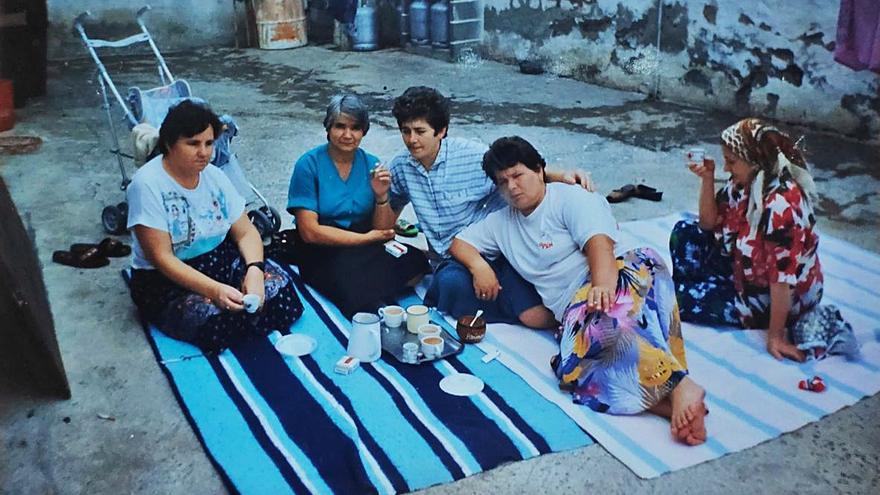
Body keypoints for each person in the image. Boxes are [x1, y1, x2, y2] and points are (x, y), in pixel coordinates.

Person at [450, 136, 707, 446]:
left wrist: (601, 286)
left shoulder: (569, 198)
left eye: (518, 175)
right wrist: (480, 266)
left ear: (539, 169)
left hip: (623, 270)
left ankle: (681, 387)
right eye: (502, 182)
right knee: (572, 372)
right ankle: (670, 403)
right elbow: (460, 243)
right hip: (577, 308)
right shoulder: (501, 223)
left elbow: (599, 243)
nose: (512, 187)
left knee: (609, 329)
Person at [386, 86, 594, 329]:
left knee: (535, 314)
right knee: (449, 284)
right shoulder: (400, 166)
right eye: (406, 131)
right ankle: (512, 303)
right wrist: (381, 201)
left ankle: (532, 308)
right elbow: (390, 212)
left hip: (498, 250)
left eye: (420, 131)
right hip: (451, 258)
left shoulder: (472, 156)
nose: (412, 139)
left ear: (441, 131)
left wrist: (565, 176)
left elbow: (518, 171)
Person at [670, 118, 854, 362]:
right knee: (684, 233)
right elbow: (707, 224)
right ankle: (696, 284)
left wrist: (775, 336)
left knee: (679, 299)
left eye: (731, 161)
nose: (726, 168)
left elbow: (782, 280)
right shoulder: (745, 183)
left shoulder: (780, 206)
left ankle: (704, 290)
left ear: (754, 160)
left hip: (778, 295)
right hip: (744, 270)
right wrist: (708, 179)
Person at [127, 100, 301, 353]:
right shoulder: (147, 185)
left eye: (209, 143)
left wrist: (254, 269)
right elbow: (162, 258)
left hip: (217, 258)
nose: (204, 152)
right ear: (168, 143)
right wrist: (215, 290)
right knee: (215, 320)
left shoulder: (215, 176)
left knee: (280, 291)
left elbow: (245, 231)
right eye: (193, 144)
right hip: (167, 277)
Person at [287, 94, 429, 317]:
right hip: (323, 247)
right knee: (351, 286)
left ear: (364, 131)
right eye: (340, 126)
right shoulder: (308, 165)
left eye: (355, 128)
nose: (347, 135)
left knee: (417, 262)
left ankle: (371, 289)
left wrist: (381, 196)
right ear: (328, 128)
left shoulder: (371, 163)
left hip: (364, 243)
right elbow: (309, 232)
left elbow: (384, 231)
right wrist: (366, 239)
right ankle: (368, 293)